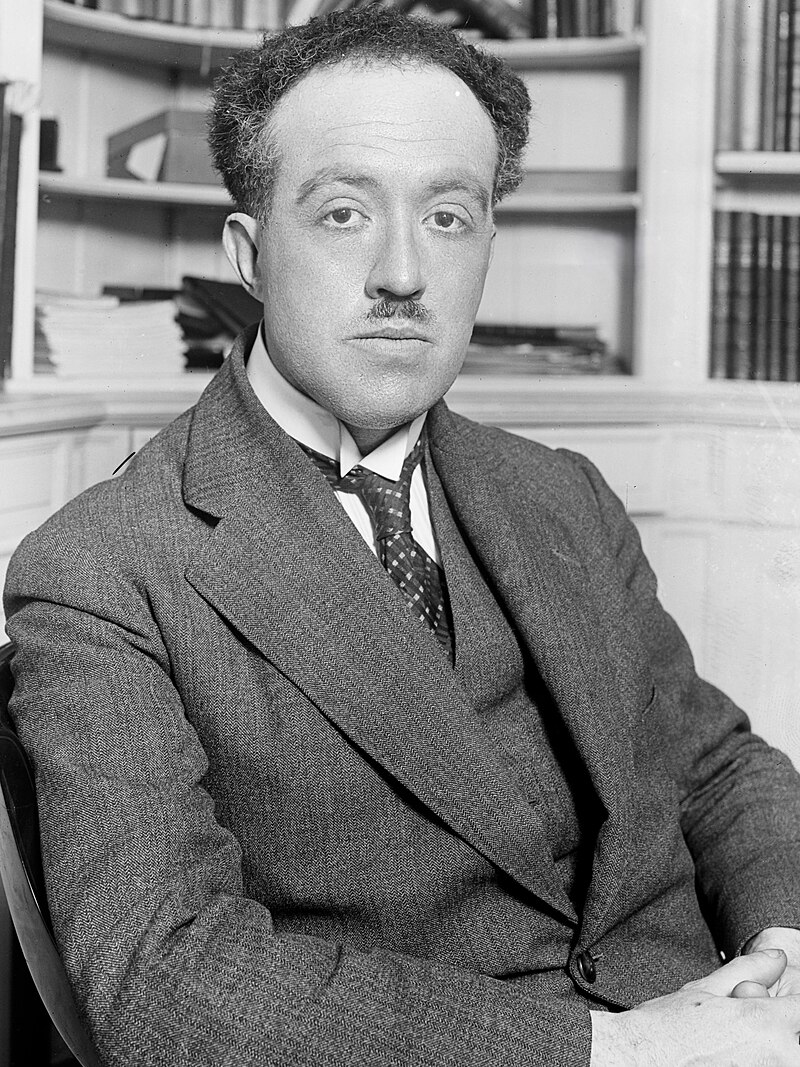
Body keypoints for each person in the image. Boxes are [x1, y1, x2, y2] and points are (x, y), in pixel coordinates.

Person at [5, 8, 800, 1066]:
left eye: (448, 217)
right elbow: (166, 976)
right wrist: (629, 1051)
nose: (402, 274)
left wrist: (783, 953)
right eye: (342, 214)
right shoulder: (102, 569)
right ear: (249, 253)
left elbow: (712, 767)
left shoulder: (562, 494)